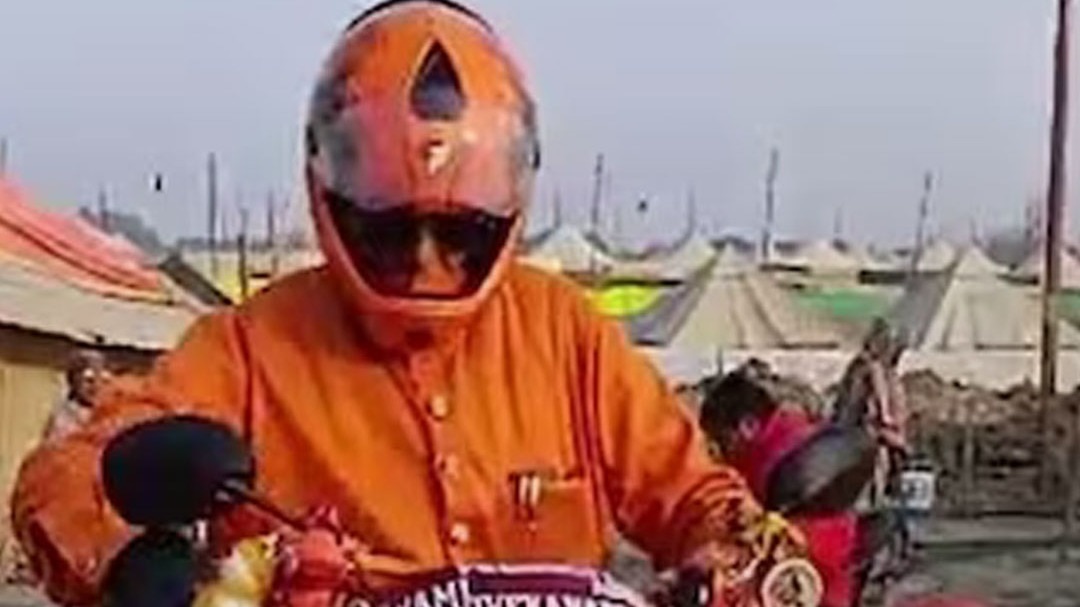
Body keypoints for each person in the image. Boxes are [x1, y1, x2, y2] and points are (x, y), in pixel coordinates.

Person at [11, 2, 805, 606]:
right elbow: (65, 475)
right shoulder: (248, 350)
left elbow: (690, 490)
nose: (426, 261)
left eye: (459, 233)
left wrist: (736, 550)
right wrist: (125, 561)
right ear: (332, 199)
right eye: (392, 231)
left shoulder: (567, 336)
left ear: (506, 210)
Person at [700, 368, 858, 607]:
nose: (723, 453)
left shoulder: (773, 463)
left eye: (724, 441)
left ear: (748, 426)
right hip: (831, 569)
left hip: (805, 576)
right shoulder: (794, 432)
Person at [831, 319, 909, 506]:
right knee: (877, 467)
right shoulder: (873, 368)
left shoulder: (862, 366)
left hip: (853, 430)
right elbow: (880, 401)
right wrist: (887, 420)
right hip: (867, 430)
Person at [41, 350, 111, 443]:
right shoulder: (63, 419)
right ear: (74, 382)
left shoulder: (112, 413)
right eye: (89, 381)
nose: (97, 387)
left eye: (104, 381)